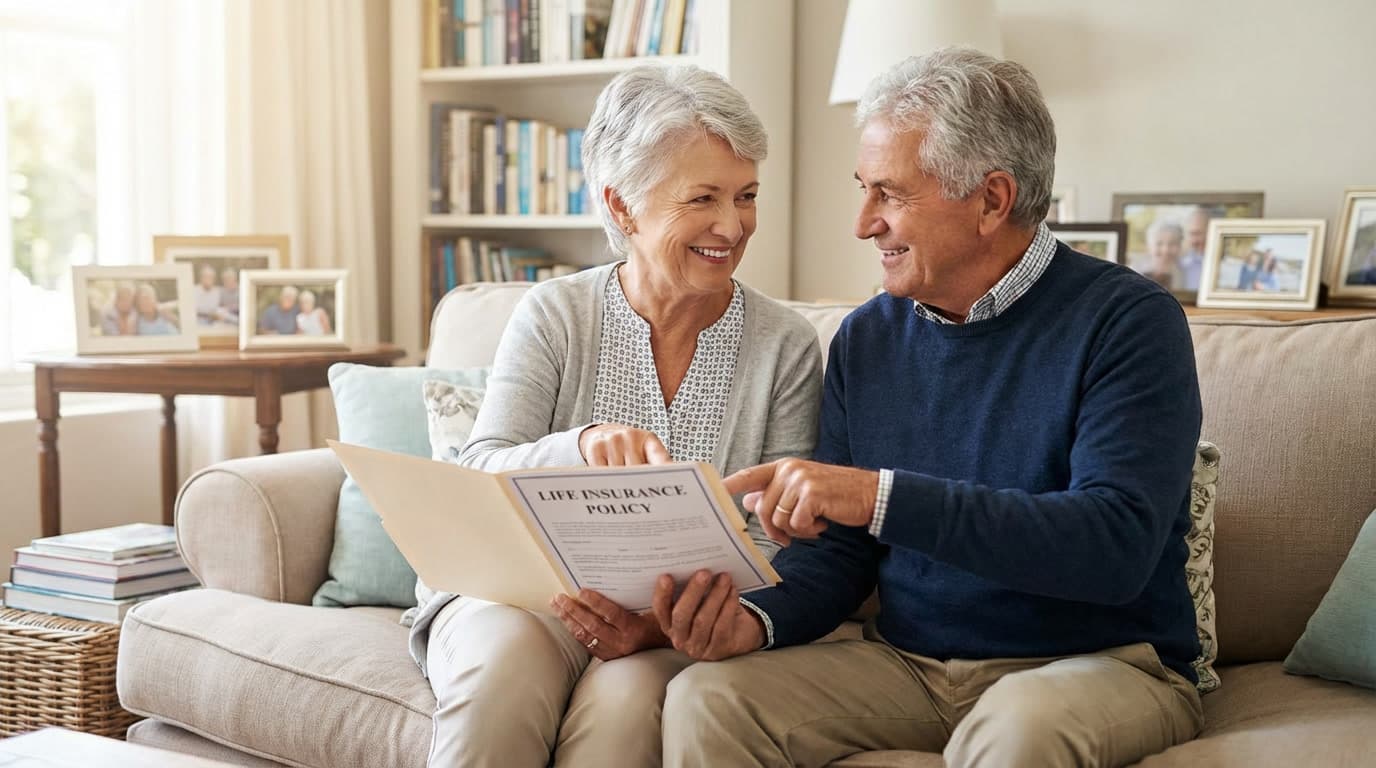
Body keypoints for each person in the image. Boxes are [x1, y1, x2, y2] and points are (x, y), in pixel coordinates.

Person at [653, 47, 1204, 768]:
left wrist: (878, 496)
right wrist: (754, 623)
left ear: (992, 200)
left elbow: (1113, 547)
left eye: (890, 193)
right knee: (709, 698)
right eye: (864, 190)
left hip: (1104, 665)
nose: (862, 223)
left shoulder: (1128, 321)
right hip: (909, 667)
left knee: (1020, 727)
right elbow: (841, 558)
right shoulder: (867, 339)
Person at [407, 64, 823, 768]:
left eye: (746, 196)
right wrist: (580, 445)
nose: (733, 225)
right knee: (500, 678)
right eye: (703, 198)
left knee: (626, 707)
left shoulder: (784, 345)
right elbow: (478, 468)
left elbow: (779, 547)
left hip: (671, 630)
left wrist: (655, 629)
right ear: (623, 207)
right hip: (524, 600)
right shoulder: (555, 314)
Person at [1136, 218, 1184, 289]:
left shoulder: (1185, 272)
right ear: (1149, 246)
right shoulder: (1136, 271)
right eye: (1159, 243)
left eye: (1172, 243)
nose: (1166, 250)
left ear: (1180, 246)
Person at [1179, 206, 1210, 291]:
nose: (1195, 240)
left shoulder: (1229, 265)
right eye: (1192, 234)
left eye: (1198, 233)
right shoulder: (1181, 265)